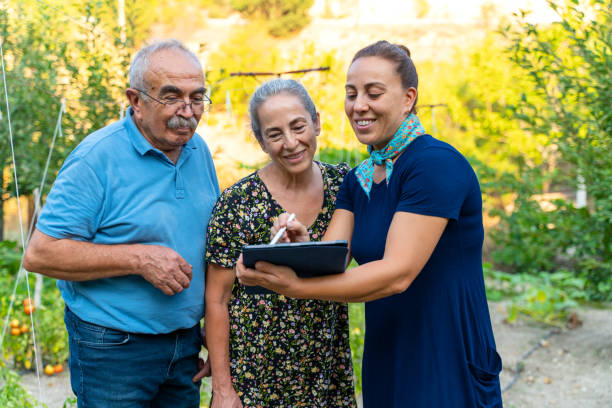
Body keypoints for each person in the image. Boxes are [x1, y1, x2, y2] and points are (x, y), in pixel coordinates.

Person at [236, 41, 503, 407]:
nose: (359, 105)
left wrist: (296, 287)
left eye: (373, 93)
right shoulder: (358, 179)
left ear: (408, 98)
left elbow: (397, 274)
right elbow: (333, 260)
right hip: (387, 353)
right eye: (351, 93)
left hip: (445, 353)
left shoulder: (435, 164)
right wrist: (296, 247)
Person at [23, 40, 219, 408]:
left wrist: (210, 323)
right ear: (136, 100)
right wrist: (138, 259)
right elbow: (40, 254)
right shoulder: (97, 159)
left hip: (184, 344)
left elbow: (203, 242)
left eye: (198, 98)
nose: (188, 111)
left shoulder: (198, 150)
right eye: (172, 97)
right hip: (113, 347)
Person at [201, 78, 356, 407]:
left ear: (316, 122)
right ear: (260, 141)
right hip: (257, 376)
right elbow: (217, 300)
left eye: (298, 126)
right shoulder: (238, 203)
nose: (291, 142)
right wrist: (223, 390)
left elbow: (340, 268)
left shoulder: (344, 185)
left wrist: (308, 244)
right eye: (274, 134)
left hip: (325, 370)